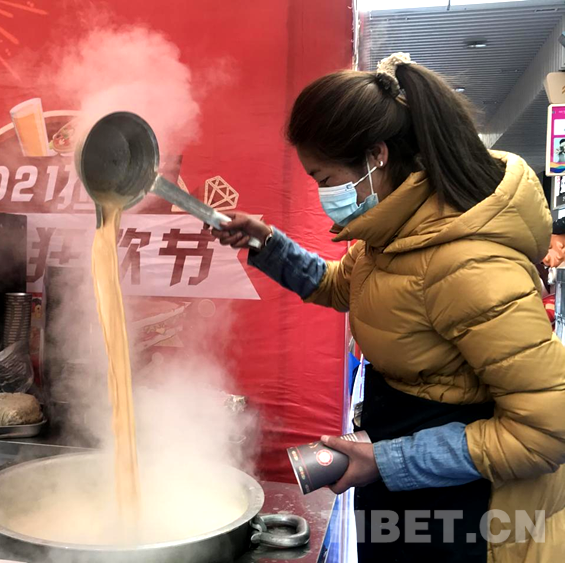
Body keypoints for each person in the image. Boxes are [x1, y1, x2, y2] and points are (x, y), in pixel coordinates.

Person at [210, 53, 565, 562]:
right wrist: (268, 244)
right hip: (403, 475)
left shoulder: (471, 266)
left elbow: (547, 429)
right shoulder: (397, 235)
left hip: (470, 511)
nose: (322, 193)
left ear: (376, 157)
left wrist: (389, 460)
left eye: (324, 178)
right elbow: (341, 286)